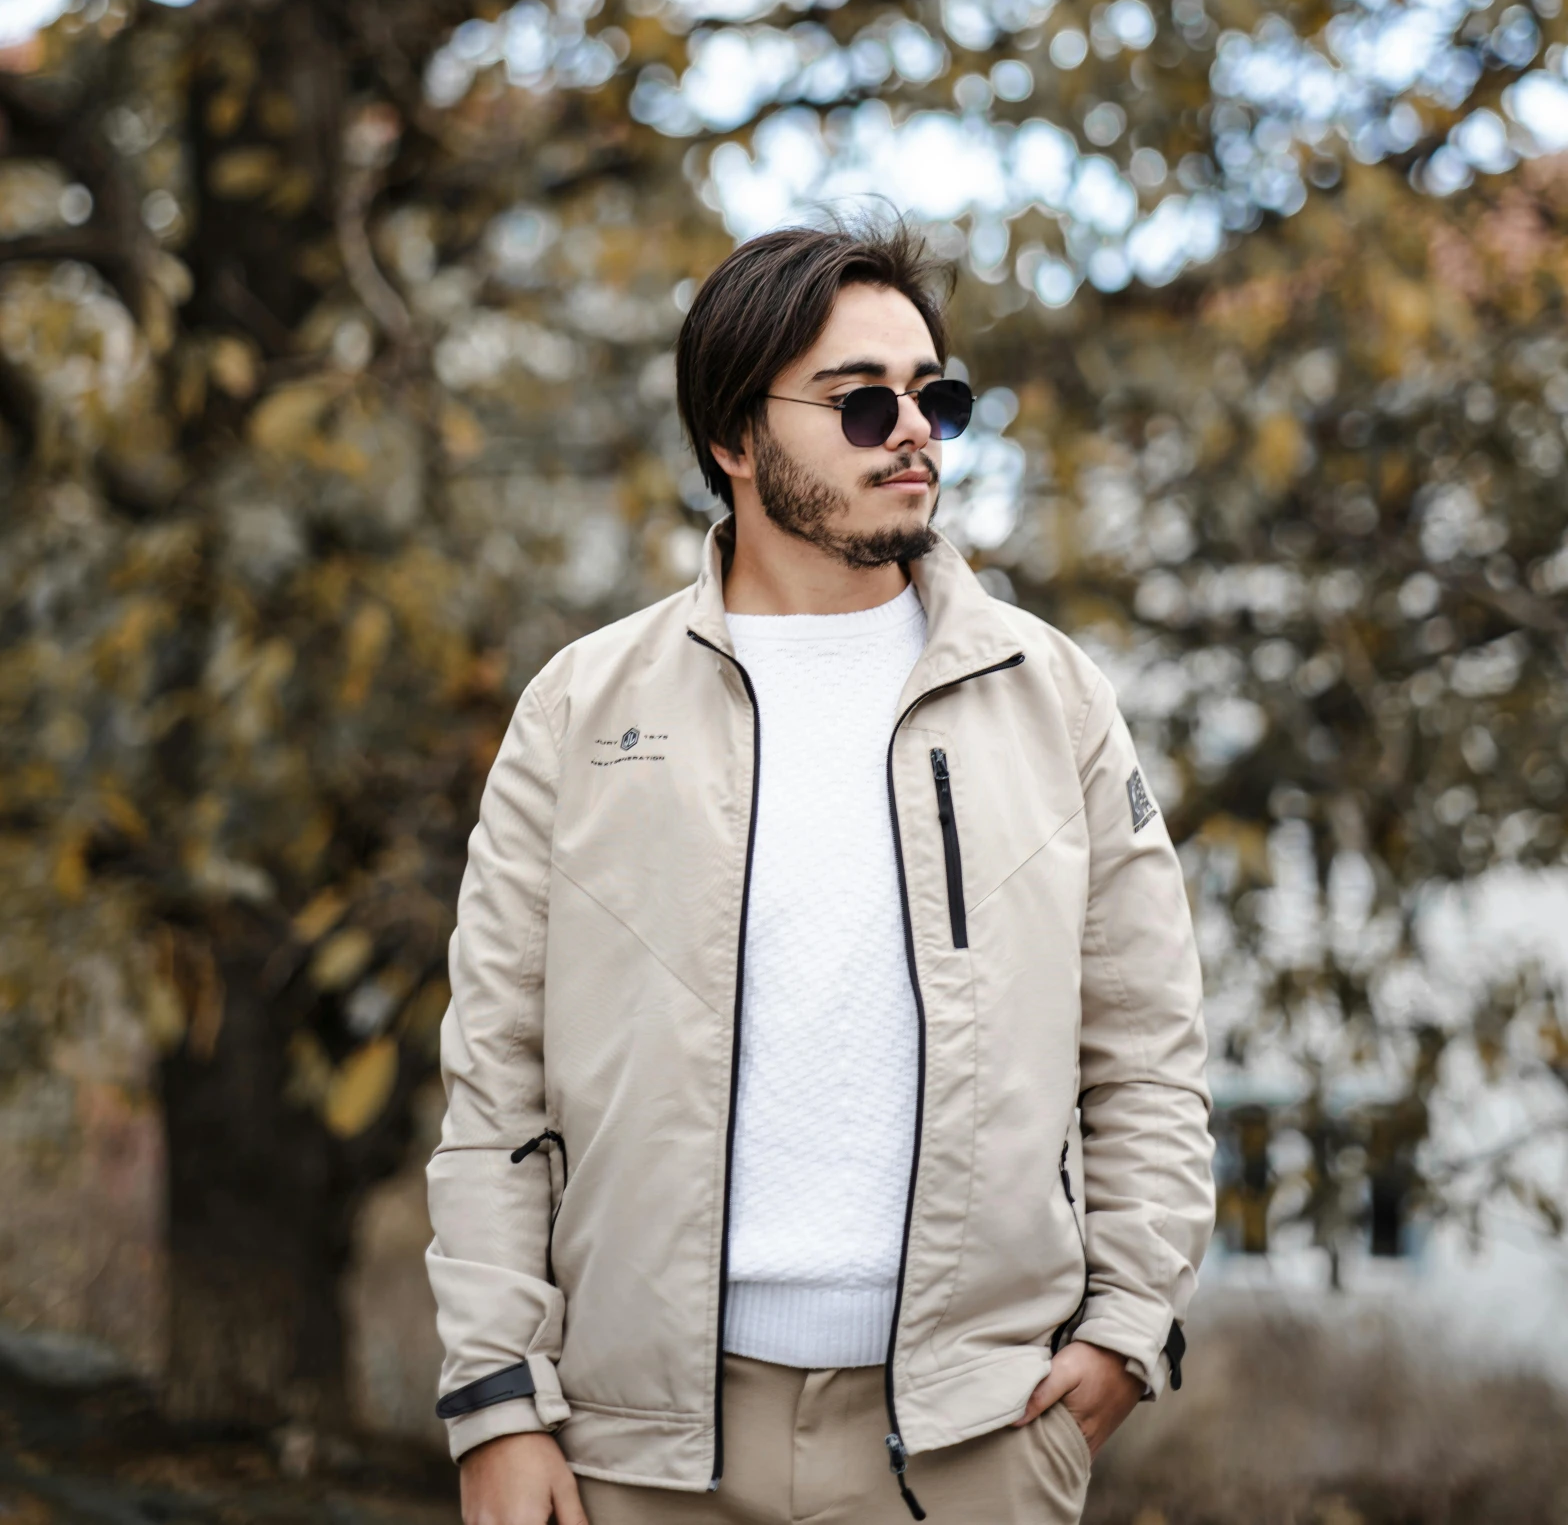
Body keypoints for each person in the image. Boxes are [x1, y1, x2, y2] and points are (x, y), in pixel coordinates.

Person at [426, 217, 1214, 1525]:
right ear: (733, 441)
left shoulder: (1054, 699)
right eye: (861, 402)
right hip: (641, 1454)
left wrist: (1128, 1333)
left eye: (936, 395)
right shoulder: (580, 710)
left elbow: (1148, 1048)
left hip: (972, 1446)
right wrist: (497, 1402)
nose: (913, 428)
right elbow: (494, 1077)